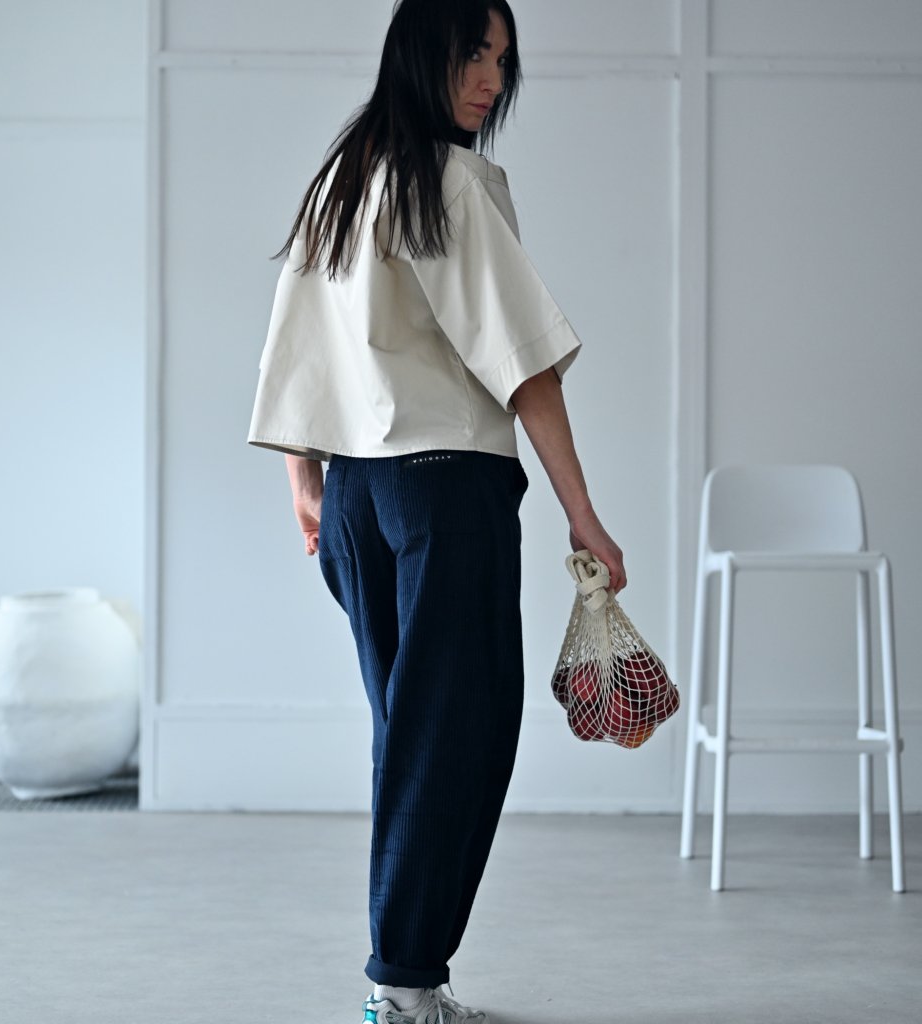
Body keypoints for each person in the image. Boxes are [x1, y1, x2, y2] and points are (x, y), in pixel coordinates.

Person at [248, 1, 625, 1020]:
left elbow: (296, 351)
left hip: (357, 496)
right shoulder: (448, 180)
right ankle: (403, 984)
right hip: (444, 490)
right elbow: (523, 363)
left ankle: (410, 980)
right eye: (472, 54)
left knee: (408, 733)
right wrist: (583, 516)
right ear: (422, 54)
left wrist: (305, 484)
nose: (491, 80)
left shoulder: (343, 179)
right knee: (457, 733)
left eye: (502, 59)